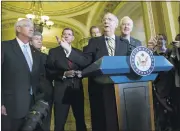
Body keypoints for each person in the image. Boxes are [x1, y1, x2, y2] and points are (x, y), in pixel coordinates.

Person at [57, 12, 128, 131]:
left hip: (121, 89)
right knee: (102, 122)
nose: (106, 21)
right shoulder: (94, 42)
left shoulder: (124, 43)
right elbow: (85, 61)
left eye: (109, 19)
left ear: (115, 24)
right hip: (100, 89)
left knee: (120, 120)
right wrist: (69, 50)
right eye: (104, 20)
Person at [1, 19, 46, 131]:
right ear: (18, 28)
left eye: (32, 26)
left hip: (34, 106)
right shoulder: (4, 46)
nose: (32, 28)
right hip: (12, 104)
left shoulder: (36, 52)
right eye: (27, 25)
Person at [46, 28, 87, 131]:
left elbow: (85, 67)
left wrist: (80, 73)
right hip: (61, 92)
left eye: (69, 34)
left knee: (80, 121)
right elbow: (49, 71)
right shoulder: (53, 52)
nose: (66, 36)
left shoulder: (78, 52)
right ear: (62, 36)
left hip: (77, 90)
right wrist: (64, 74)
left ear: (72, 38)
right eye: (64, 34)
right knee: (59, 123)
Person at [30, 31, 53, 131]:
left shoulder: (45, 56)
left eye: (41, 39)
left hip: (45, 94)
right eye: (36, 39)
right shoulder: (24, 56)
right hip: (30, 94)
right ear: (30, 42)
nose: (39, 41)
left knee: (44, 123)